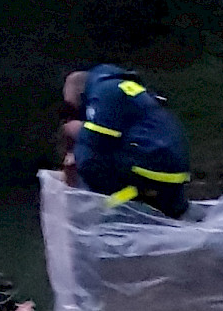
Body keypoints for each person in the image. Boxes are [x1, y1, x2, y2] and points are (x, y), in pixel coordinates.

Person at [61, 65, 190, 217]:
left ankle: (108, 213)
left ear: (81, 92)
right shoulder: (125, 87)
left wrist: (76, 133)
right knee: (97, 155)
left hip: (153, 165)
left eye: (73, 107)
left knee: (87, 157)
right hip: (172, 169)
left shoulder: (104, 90)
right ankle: (160, 208)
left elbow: (98, 138)